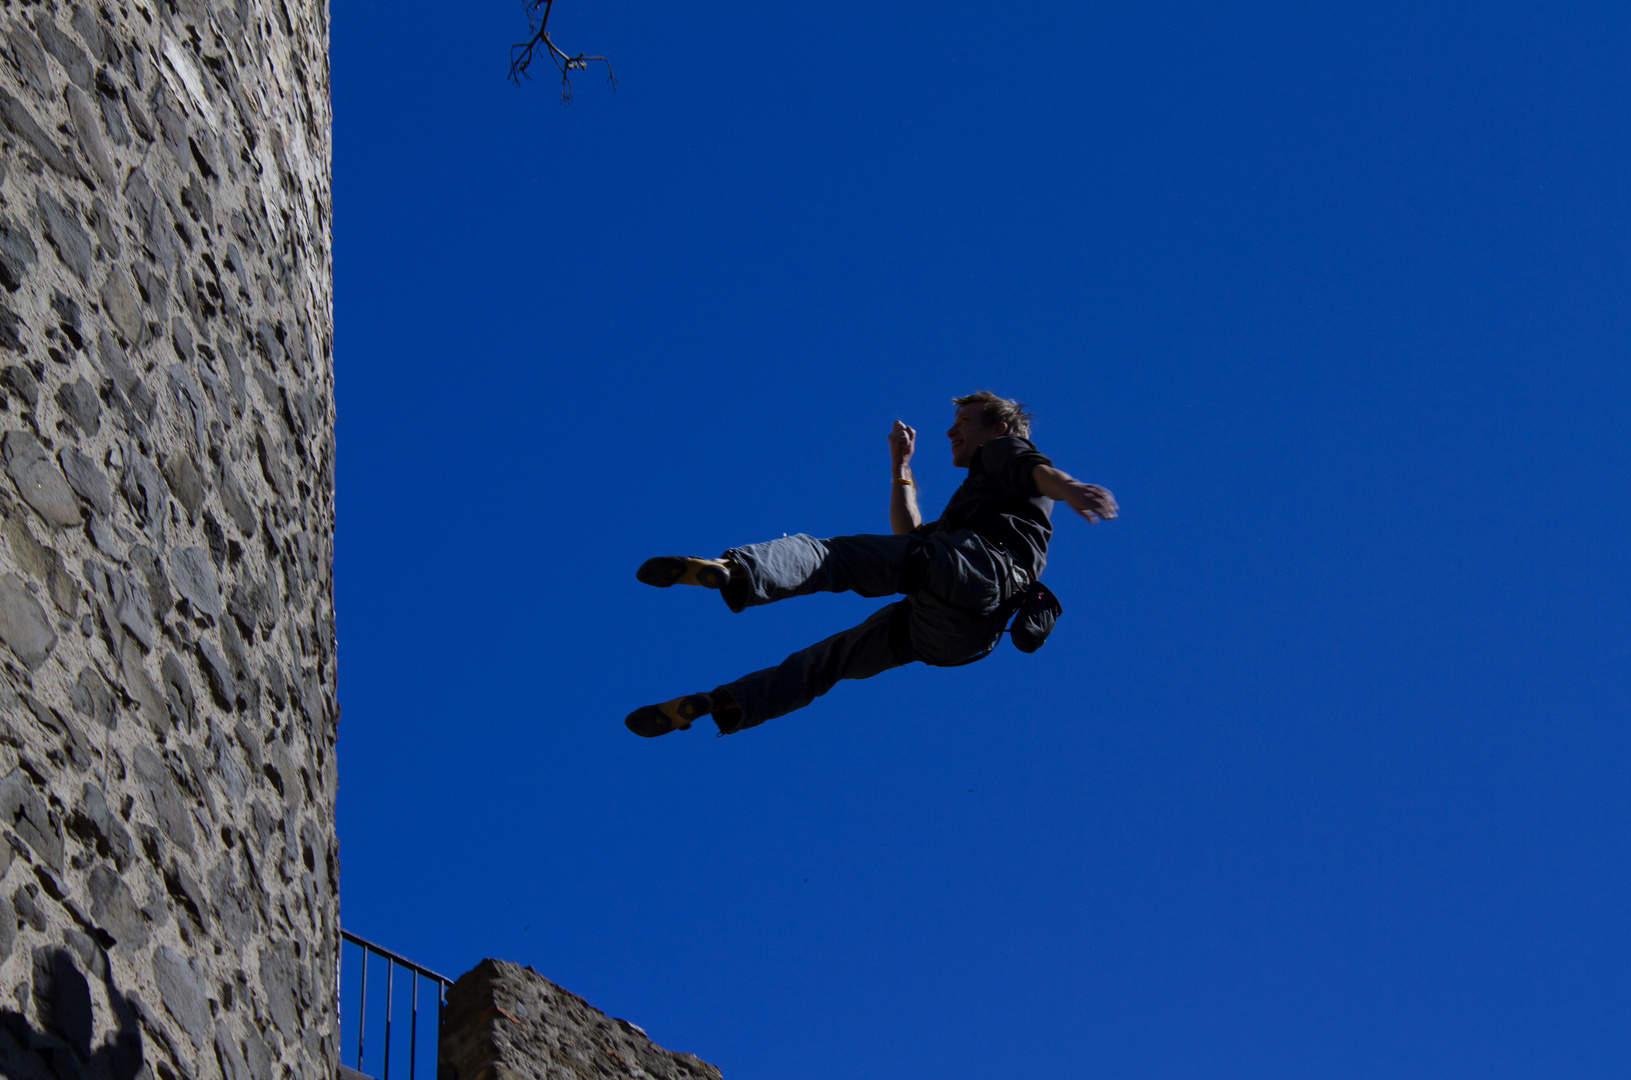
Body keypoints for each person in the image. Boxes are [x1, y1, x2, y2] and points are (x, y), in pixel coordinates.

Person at [625, 391, 1118, 737]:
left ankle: (737, 571)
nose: (951, 431)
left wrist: (1074, 490)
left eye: (963, 422)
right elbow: (906, 538)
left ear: (998, 428)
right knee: (827, 662)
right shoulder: (973, 504)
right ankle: (725, 702)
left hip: (977, 570)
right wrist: (900, 468)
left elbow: (1038, 471)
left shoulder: (1005, 451)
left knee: (834, 556)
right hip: (961, 632)